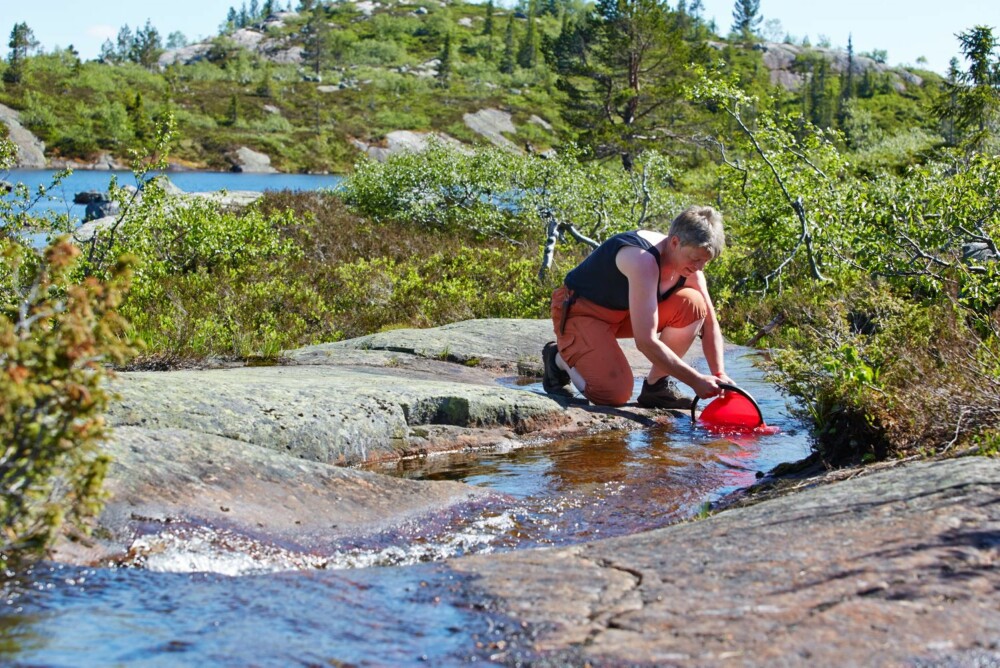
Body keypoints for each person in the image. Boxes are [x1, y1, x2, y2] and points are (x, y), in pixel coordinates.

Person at [542, 205, 733, 408]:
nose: (699, 268)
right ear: (675, 242)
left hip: (624, 314)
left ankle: (656, 388)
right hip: (581, 312)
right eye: (696, 259)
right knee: (614, 395)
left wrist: (719, 374)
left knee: (694, 305)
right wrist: (695, 381)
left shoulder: (689, 266)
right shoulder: (642, 259)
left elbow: (710, 323)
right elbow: (645, 341)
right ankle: (559, 359)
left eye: (705, 262)